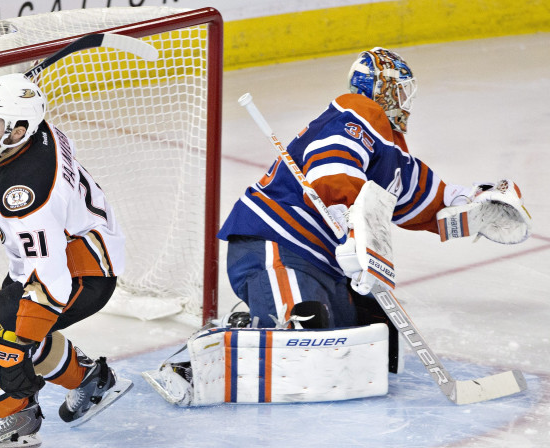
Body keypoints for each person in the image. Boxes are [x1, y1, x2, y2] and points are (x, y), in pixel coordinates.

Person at [217, 47, 530, 342]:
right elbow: (332, 161)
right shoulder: (358, 112)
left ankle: (248, 324)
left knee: (363, 338)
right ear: (384, 90)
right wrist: (348, 219)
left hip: (324, 263)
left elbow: (424, 201)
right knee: (301, 331)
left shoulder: (391, 151)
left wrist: (475, 205)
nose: (407, 100)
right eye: (402, 91)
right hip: (277, 243)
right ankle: (199, 360)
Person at [0, 73, 132, 448]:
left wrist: (19, 340)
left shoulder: (26, 195)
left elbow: (51, 277)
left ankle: (17, 420)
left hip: (77, 274)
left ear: (17, 130)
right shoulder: (39, 132)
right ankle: (90, 380)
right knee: (5, 324)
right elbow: (2, 157)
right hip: (82, 251)